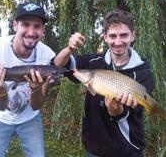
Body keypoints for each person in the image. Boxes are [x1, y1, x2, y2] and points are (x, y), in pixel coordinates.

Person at [51, 9, 154, 157]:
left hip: (128, 150)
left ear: (133, 35)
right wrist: (70, 48)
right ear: (105, 37)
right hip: (94, 149)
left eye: (124, 35)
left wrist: (114, 104)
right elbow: (57, 66)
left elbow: (118, 114)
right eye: (112, 36)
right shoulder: (94, 62)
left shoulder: (144, 71)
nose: (118, 42)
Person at [0, 2, 55, 157]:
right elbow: (0, 106)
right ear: (15, 25)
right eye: (25, 25)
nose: (31, 32)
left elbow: (36, 105)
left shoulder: (48, 56)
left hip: (30, 119)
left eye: (37, 26)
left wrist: (35, 89)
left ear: (43, 30)